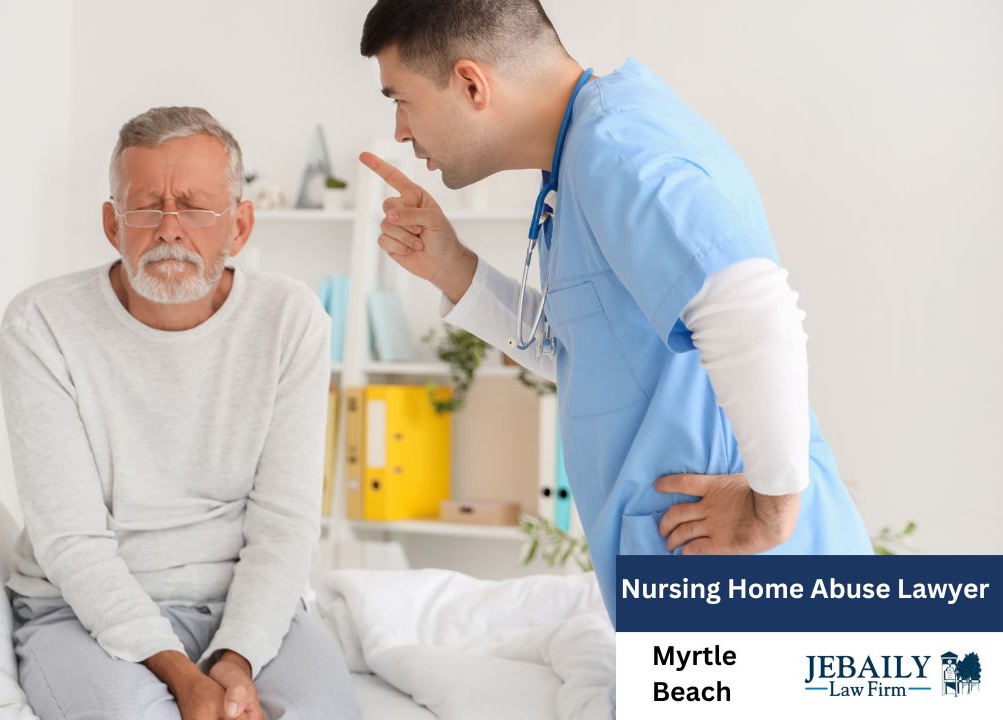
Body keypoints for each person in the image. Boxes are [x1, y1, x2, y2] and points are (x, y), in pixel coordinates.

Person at [356, 0, 872, 623]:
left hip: (748, 585)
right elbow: (593, 359)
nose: (401, 131)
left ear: (471, 83)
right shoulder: (582, 158)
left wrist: (773, 510)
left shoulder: (616, 149)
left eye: (400, 99)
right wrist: (451, 268)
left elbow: (748, 303)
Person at [0, 106, 361, 720]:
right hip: (81, 613)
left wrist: (236, 658)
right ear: (113, 224)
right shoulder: (41, 325)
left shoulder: (291, 319)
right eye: (146, 206)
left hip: (245, 610)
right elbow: (72, 541)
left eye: (194, 206)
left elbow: (285, 525)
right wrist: (183, 680)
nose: (169, 228)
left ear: (239, 227)